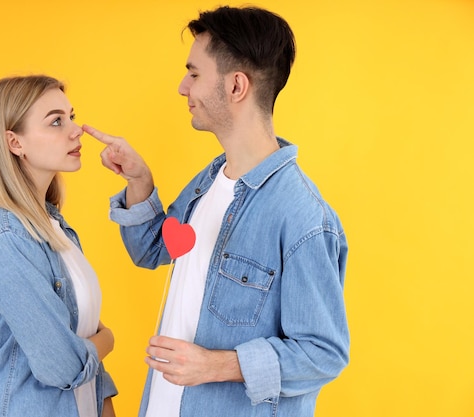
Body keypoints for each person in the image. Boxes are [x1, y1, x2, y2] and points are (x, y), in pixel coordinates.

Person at [83, 5, 349, 417]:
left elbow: (323, 352)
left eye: (193, 73)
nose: (181, 88)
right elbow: (153, 251)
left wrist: (216, 365)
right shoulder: (210, 180)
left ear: (236, 86)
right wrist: (140, 182)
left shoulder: (303, 218)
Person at [0, 75, 117, 417]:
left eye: (71, 116)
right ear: (15, 143)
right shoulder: (5, 238)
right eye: (56, 121)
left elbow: (80, 349)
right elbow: (61, 366)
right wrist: (107, 341)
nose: (75, 130)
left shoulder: (56, 228)